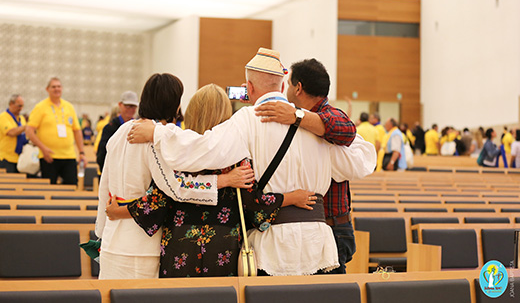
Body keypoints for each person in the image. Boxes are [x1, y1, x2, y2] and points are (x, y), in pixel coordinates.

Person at [129, 47, 376, 276]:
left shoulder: (248, 118)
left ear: (249, 86)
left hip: (275, 242)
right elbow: (363, 161)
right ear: (282, 86)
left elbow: (203, 149)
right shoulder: (315, 123)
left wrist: (157, 133)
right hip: (318, 241)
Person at [107, 83, 315, 277]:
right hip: (223, 245)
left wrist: (119, 210)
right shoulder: (236, 158)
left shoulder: (177, 152)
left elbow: (160, 199)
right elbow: (255, 205)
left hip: (179, 244)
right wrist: (291, 197)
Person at [95, 74, 247, 279]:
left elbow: (104, 187)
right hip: (140, 245)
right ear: (173, 103)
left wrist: (101, 232)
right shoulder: (157, 137)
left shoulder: (120, 132)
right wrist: (224, 180)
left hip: (113, 240)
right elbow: (176, 187)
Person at [254, 58, 359, 274]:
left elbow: (346, 130)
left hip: (332, 226)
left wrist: (296, 116)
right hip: (308, 227)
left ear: (298, 87)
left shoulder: (328, 114)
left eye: (289, 83)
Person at [26, 77, 86, 184]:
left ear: (62, 89)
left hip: (69, 156)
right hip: (49, 156)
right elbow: (29, 130)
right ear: (47, 89)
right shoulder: (40, 107)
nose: (56, 89)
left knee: (72, 187)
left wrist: (81, 152)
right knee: (49, 190)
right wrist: (43, 149)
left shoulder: (69, 107)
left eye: (59, 86)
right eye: (53, 87)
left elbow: (77, 131)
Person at [96, 91, 139, 173]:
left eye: (133, 106)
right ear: (120, 105)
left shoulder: (139, 128)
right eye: (127, 106)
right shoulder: (109, 128)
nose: (130, 109)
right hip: (113, 173)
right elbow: (102, 154)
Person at [0, 95, 27, 173]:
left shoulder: (21, 118)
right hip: (6, 158)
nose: (21, 108)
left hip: (19, 159)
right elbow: (11, 132)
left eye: (22, 106)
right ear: (11, 104)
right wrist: (27, 126)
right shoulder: (3, 117)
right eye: (19, 106)